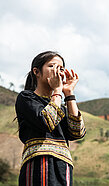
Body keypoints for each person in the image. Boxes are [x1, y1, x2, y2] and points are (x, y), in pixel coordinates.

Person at [15, 51, 86, 186]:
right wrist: (57, 91)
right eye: (52, 66)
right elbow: (47, 121)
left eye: (61, 68)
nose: (57, 71)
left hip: (63, 166)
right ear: (36, 71)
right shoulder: (26, 98)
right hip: (38, 163)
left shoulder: (61, 108)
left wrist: (69, 93)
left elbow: (78, 132)